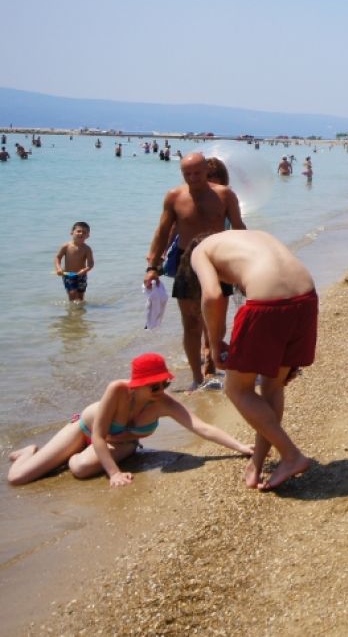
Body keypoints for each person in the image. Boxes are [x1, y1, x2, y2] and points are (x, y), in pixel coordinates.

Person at [186, 230, 318, 490]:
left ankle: (291, 456)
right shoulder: (248, 236)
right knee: (273, 385)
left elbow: (212, 296)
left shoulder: (199, 251)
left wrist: (213, 344)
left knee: (236, 389)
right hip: (307, 296)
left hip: (267, 303)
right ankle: (257, 463)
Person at [7, 353, 252, 487]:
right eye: (154, 386)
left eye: (164, 383)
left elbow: (201, 427)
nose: (161, 390)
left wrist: (240, 447)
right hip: (85, 430)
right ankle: (29, 451)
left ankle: (72, 456)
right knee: (18, 478)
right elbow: (98, 436)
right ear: (137, 385)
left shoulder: (164, 403)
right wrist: (114, 473)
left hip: (120, 443)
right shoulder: (117, 390)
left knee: (79, 468)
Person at [143, 153, 246, 391]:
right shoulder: (174, 196)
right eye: (187, 174)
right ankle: (197, 377)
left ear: (205, 172)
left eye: (197, 173)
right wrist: (152, 267)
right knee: (190, 322)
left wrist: (249, 261)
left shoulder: (224, 195)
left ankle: (212, 364)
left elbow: (239, 228)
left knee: (216, 321)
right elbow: (162, 231)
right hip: (186, 262)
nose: (192, 178)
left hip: (219, 261)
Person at [55, 221, 95, 303]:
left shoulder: (87, 249)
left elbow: (91, 264)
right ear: (72, 232)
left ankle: (80, 313)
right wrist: (58, 268)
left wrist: (85, 270)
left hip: (82, 275)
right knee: (72, 293)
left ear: (88, 235)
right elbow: (58, 258)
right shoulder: (66, 246)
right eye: (78, 231)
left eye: (84, 232)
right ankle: (73, 313)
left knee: (80, 296)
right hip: (68, 275)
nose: (81, 233)